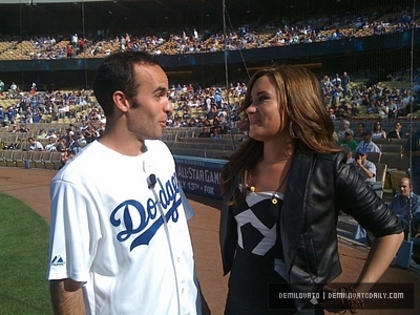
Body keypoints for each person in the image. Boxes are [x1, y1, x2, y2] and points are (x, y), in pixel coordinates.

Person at [219, 66, 404, 315]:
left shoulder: (329, 168)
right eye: (251, 101)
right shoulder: (238, 166)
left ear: (296, 105)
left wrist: (358, 293)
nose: (250, 109)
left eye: (262, 99)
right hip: (238, 304)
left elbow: (391, 231)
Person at [47, 51, 209, 315]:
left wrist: (200, 304)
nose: (169, 106)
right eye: (159, 95)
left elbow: (179, 246)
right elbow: (67, 283)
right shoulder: (77, 180)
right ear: (122, 101)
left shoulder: (161, 153)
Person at [389, 177, 420, 264]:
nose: (401, 189)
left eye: (404, 187)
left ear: (411, 188)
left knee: (395, 220)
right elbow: (388, 210)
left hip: (407, 227)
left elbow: (413, 220)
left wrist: (395, 218)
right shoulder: (396, 198)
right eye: (399, 187)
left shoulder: (416, 200)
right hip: (393, 223)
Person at [403, 130, 420, 195]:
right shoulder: (415, 136)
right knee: (416, 197)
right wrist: (417, 153)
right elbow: (405, 152)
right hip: (417, 173)